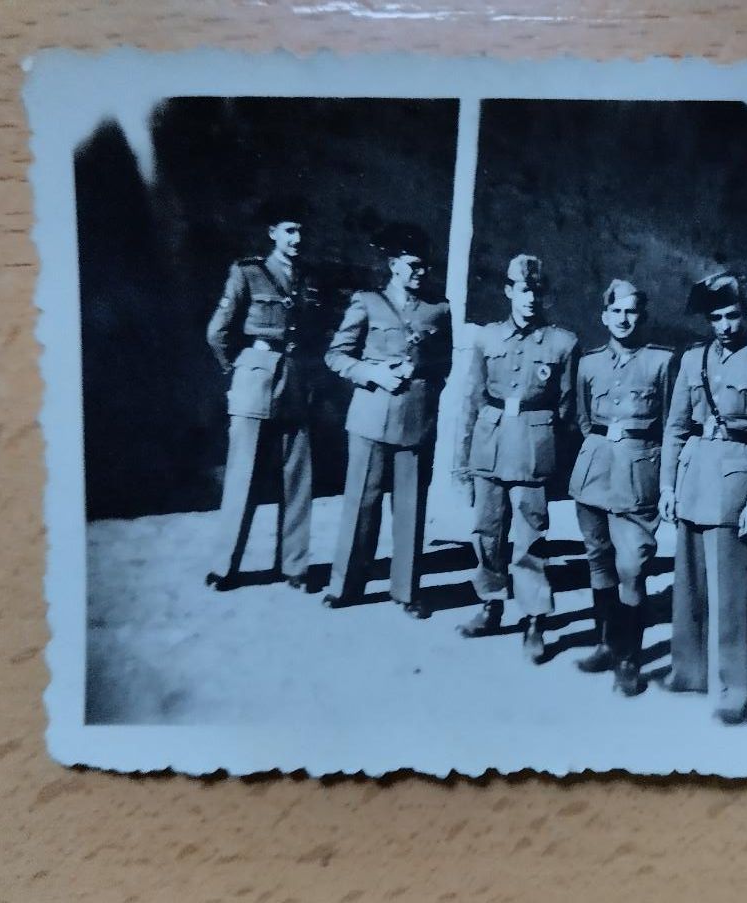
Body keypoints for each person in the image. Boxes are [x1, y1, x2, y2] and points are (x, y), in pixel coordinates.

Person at [659, 272, 747, 725]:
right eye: (716, 318)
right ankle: (689, 673)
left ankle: (733, 688)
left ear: (746, 314)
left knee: (731, 596)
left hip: (735, 484)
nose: (725, 326)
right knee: (688, 587)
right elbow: (675, 427)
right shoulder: (692, 360)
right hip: (694, 477)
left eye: (733, 316)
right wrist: (668, 486)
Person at [322, 224, 452, 617]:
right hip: (370, 417)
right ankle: (344, 586)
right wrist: (373, 374)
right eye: (412, 265)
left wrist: (422, 382)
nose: (420, 272)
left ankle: (407, 592)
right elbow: (336, 355)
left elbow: (445, 363)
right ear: (394, 265)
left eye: (424, 266)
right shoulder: (367, 302)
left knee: (410, 509)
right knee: (361, 503)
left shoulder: (439, 308)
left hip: (415, 419)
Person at [455, 255, 579, 664]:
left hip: (531, 444)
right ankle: (491, 603)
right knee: (487, 531)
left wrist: (551, 454)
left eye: (537, 291)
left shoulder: (563, 343)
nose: (530, 299)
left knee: (530, 538)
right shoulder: (487, 338)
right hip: (489, 440)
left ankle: (534, 619)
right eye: (523, 291)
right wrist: (462, 458)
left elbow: (566, 407)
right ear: (509, 291)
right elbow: (471, 399)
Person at [204, 197, 322, 593]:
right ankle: (225, 567)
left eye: (301, 231)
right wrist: (238, 368)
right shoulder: (248, 273)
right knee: (243, 476)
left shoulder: (307, 276)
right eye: (289, 230)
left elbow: (314, 332)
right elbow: (217, 331)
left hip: (295, 383)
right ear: (272, 233)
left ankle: (295, 567)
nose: (297, 238)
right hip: (256, 381)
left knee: (298, 479)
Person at [569, 279, 675, 696]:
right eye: (616, 312)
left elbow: (672, 425)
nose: (624, 319)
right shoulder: (589, 363)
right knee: (598, 560)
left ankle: (630, 656)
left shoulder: (662, 362)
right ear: (604, 316)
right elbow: (582, 418)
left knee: (632, 566)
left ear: (642, 316)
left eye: (632, 311)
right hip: (594, 470)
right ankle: (605, 645)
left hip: (638, 474)